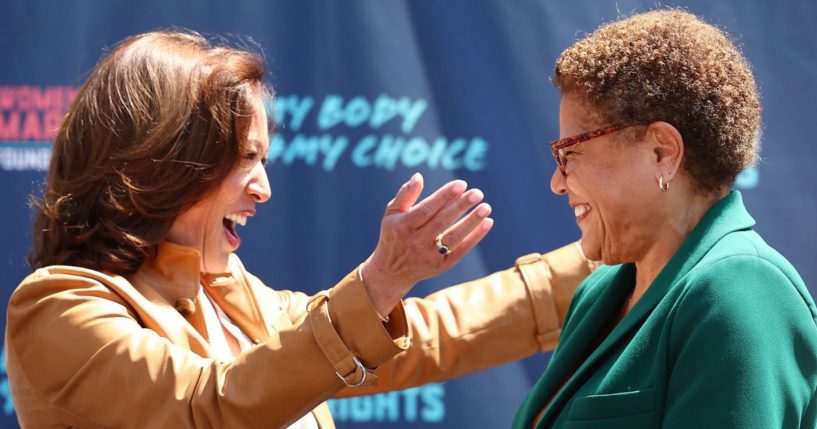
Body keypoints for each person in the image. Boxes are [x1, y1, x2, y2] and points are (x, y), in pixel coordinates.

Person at [4, 30, 596, 428]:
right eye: (243, 159)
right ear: (163, 160)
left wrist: (604, 259)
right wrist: (377, 280)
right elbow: (205, 408)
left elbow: (430, 335)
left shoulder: (233, 295)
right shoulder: (57, 306)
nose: (263, 188)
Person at [511, 9, 817, 428]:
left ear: (662, 152)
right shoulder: (597, 293)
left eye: (569, 153)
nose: (557, 183)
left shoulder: (740, 291)